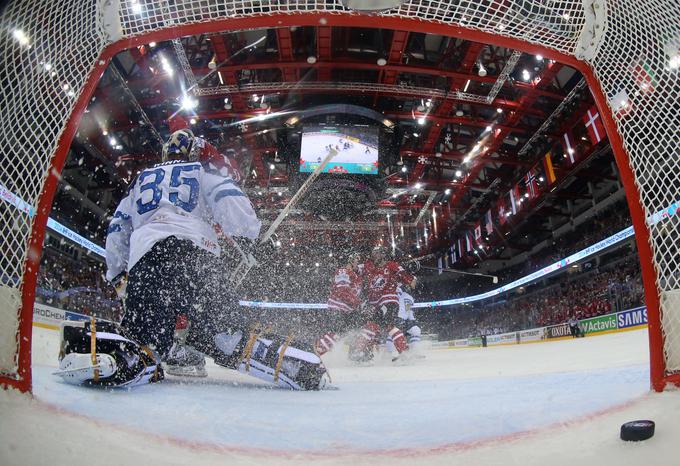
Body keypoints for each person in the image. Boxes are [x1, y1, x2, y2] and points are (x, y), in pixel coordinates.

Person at [57, 129, 330, 390]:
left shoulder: (141, 180)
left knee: (148, 343)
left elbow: (118, 227)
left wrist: (117, 273)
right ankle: (301, 366)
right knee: (227, 337)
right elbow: (227, 196)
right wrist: (251, 237)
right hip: (197, 257)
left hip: (147, 261)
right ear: (192, 152)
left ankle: (101, 354)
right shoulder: (201, 171)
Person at [350, 246, 417, 363]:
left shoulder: (392, 265)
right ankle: (361, 352)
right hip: (375, 304)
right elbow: (355, 270)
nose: (375, 256)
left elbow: (412, 283)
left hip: (388, 301)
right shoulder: (368, 266)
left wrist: (410, 273)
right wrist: (353, 263)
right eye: (373, 253)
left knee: (387, 326)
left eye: (377, 253)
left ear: (383, 254)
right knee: (373, 326)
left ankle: (403, 352)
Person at [314, 252, 365, 356]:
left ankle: (355, 355)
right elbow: (342, 291)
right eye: (356, 260)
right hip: (337, 307)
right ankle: (318, 351)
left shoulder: (355, 275)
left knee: (345, 333)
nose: (357, 263)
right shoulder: (343, 271)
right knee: (335, 332)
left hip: (346, 310)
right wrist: (357, 302)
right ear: (350, 260)